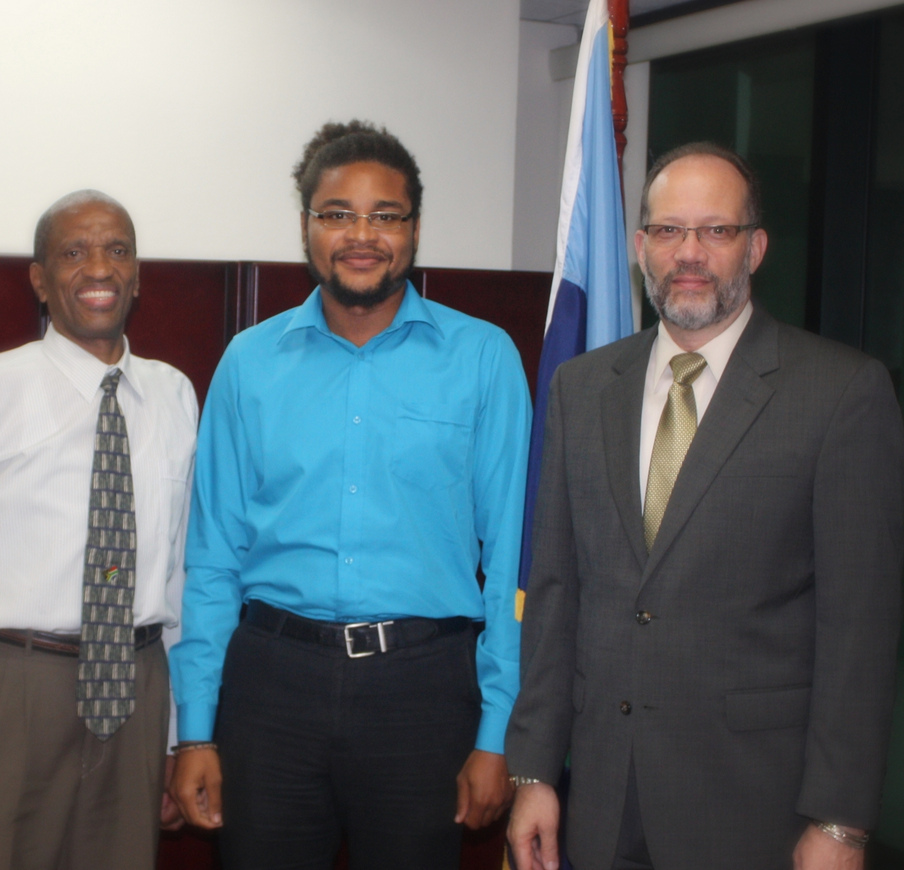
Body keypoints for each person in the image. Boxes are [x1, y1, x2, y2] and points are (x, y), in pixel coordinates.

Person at [505, 142, 904, 870]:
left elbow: (860, 631)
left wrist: (841, 822)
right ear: (640, 248)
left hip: (753, 808)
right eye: (668, 230)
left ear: (755, 247)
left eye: (716, 230)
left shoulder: (841, 393)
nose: (689, 253)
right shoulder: (580, 389)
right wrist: (533, 773)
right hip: (600, 798)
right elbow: (557, 592)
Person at [168, 120, 532, 869]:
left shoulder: (483, 358)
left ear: (415, 230)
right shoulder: (248, 362)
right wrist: (196, 728)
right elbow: (211, 560)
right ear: (306, 227)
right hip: (271, 686)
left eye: (384, 215)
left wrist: (497, 733)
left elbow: (513, 566)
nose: (361, 235)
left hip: (424, 691)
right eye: (337, 214)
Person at [0, 190, 198, 870]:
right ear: (40, 278)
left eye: (117, 250)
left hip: (139, 689)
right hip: (8, 691)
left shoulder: (174, 394)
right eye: (73, 252)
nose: (99, 268)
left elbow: (176, 571)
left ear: (137, 276)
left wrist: (177, 736)